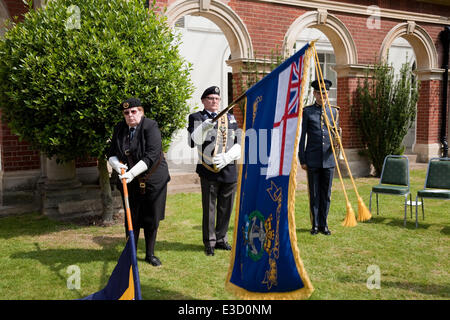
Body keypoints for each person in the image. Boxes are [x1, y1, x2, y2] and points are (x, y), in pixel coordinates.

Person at [107, 97, 170, 266]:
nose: (130, 115)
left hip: (153, 180)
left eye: (134, 111)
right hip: (129, 181)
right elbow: (111, 152)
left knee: (151, 217)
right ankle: (131, 254)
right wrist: (117, 166)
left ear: (141, 112)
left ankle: (150, 254)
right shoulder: (120, 128)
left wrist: (132, 173)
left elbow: (151, 155)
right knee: (131, 217)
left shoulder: (150, 126)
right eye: (126, 113)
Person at [187, 86, 241, 256]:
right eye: (210, 98)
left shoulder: (230, 117)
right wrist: (204, 126)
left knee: (226, 207)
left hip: (229, 168)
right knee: (209, 208)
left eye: (217, 99)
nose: (214, 101)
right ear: (203, 101)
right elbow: (192, 141)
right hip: (209, 170)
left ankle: (221, 239)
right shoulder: (196, 117)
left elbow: (238, 142)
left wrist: (229, 156)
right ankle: (209, 242)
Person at [298, 79, 339, 236]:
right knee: (314, 193)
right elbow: (302, 138)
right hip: (313, 158)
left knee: (326, 194)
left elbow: (336, 135)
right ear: (314, 94)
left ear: (328, 94)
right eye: (319, 93)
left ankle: (324, 223)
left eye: (325, 93)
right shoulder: (307, 112)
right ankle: (315, 224)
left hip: (328, 159)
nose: (322, 96)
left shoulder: (334, 112)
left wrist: (337, 142)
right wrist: (302, 158)